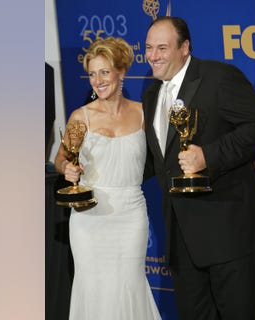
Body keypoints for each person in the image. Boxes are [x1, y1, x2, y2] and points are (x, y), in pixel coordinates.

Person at [142, 17, 255, 319]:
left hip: (227, 235)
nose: (152, 56)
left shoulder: (220, 77)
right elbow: (156, 159)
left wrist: (208, 156)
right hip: (182, 242)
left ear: (185, 48)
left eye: (162, 48)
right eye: (148, 48)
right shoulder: (151, 93)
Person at [54, 37, 161, 320]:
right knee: (94, 287)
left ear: (121, 71)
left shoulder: (142, 113)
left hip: (130, 214)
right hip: (90, 217)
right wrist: (66, 169)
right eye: (92, 73)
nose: (97, 81)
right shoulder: (81, 117)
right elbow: (61, 157)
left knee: (129, 285)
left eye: (104, 72)